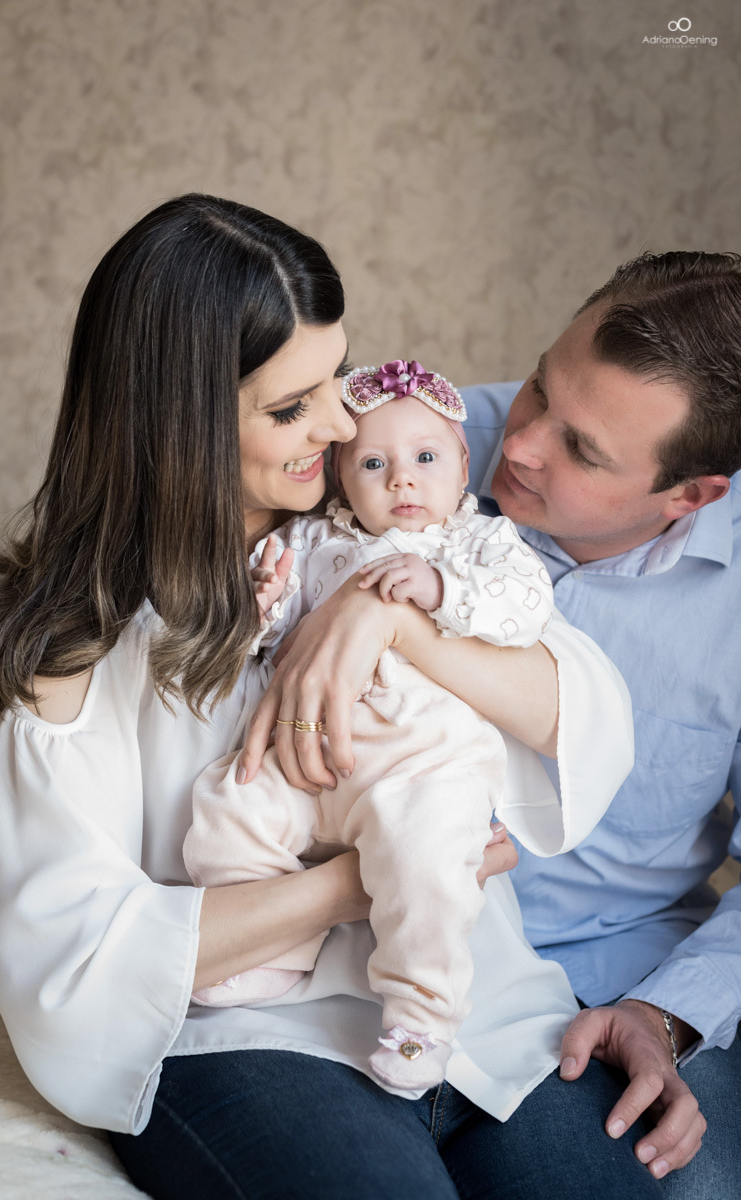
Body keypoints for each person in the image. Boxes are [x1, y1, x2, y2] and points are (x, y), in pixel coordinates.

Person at [0, 193, 644, 1200]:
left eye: (337, 379)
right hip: (250, 1038)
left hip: (482, 1017)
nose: (343, 424)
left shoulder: (387, 529)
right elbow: (75, 962)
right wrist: (358, 883)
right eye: (291, 408)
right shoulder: (82, 655)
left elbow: (581, 707)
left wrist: (384, 621)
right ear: (178, 424)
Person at [185, 358, 591, 1093]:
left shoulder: (479, 543)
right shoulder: (315, 541)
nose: (402, 480)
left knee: (428, 869)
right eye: (373, 464)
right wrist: (263, 605)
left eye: (425, 459)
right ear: (341, 479)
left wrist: (439, 590)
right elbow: (268, 641)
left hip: (424, 764)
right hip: (309, 757)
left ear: (463, 465)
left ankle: (419, 1021)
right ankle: (273, 953)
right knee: (230, 799)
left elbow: (524, 607)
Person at [444, 250, 740, 1196]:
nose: (522, 443)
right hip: (383, 953)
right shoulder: (408, 448)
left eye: (582, 449)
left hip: (614, 979)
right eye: (539, 385)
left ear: (690, 495)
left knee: (683, 1185)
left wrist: (666, 1013)